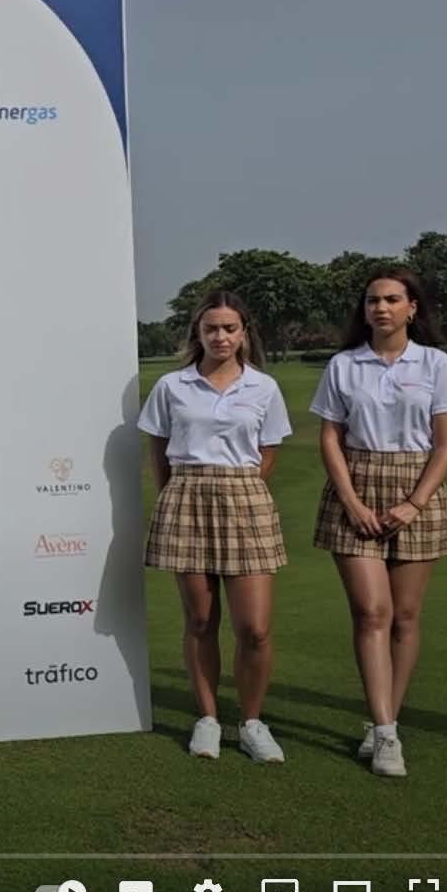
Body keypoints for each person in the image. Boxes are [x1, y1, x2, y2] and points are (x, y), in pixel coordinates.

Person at [309, 268, 447, 778]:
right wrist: (352, 502)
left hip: (417, 489)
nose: (380, 308)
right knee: (371, 612)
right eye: (372, 300)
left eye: (392, 299)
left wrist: (415, 503)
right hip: (355, 486)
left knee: (404, 616)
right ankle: (384, 733)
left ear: (412, 308)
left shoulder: (436, 363)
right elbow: (330, 437)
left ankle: (386, 723)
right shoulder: (343, 364)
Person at [138, 291, 292, 764]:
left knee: (255, 629)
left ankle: (252, 723)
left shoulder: (263, 387)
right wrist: (175, 495)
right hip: (186, 496)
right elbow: (159, 448)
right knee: (201, 621)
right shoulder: (172, 385)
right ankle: (207, 718)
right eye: (211, 329)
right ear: (198, 333)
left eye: (229, 328)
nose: (220, 337)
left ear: (243, 333)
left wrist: (240, 490)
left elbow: (269, 450)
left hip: (245, 498)